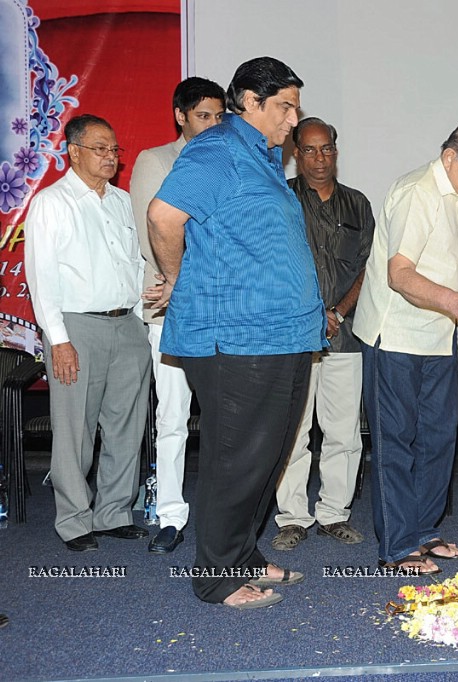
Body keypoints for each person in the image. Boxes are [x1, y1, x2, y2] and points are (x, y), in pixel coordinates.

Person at [147, 57, 323, 609]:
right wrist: (177, 277)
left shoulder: (264, 158)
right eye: (285, 106)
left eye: (296, 106)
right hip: (237, 337)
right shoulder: (218, 149)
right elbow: (162, 215)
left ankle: (244, 553)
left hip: (283, 335)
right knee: (237, 457)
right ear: (249, 100)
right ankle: (218, 577)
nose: (294, 119)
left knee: (267, 456)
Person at [354, 121, 458, 575]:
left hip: (437, 334)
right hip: (394, 334)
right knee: (396, 441)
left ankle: (423, 529)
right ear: (449, 156)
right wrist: (456, 301)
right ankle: (397, 547)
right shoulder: (418, 191)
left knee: (438, 437)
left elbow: (446, 270)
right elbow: (400, 275)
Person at [24, 114, 153, 551]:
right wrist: (58, 339)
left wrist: (142, 307)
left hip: (125, 324)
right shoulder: (51, 203)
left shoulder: (119, 200)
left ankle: (114, 512)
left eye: (115, 149)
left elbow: (132, 263)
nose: (111, 157)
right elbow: (41, 278)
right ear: (73, 151)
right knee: (75, 430)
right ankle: (75, 519)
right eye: (101, 148)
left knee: (126, 427)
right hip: (76, 328)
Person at [129, 76, 226, 554]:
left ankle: (221, 516)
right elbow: (155, 233)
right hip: (170, 311)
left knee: (225, 419)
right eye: (202, 115)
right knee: (173, 417)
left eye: (218, 116)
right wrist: (181, 284)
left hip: (223, 312)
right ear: (180, 115)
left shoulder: (229, 162)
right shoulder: (156, 160)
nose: (211, 124)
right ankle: (170, 514)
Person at [271, 117, 374, 550]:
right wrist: (313, 312)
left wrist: (338, 312)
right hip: (295, 334)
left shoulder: (358, 204)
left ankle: (334, 513)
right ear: (296, 153)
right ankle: (293, 517)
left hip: (345, 335)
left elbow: (367, 267)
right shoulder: (281, 199)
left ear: (336, 149)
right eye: (310, 150)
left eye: (327, 148)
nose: (319, 158)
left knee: (343, 432)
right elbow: (275, 266)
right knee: (293, 432)